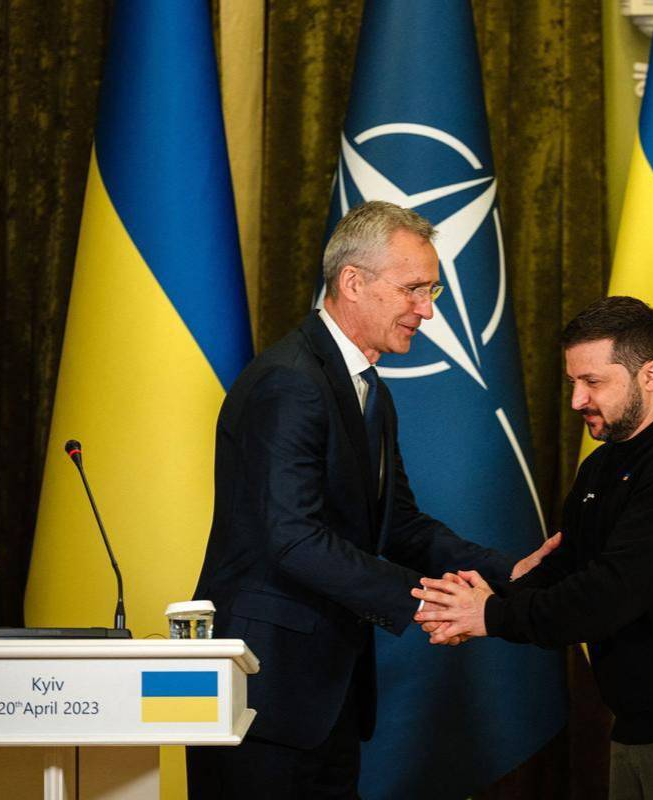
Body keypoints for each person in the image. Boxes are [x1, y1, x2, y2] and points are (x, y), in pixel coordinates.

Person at [187, 200, 558, 799]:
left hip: (326, 692)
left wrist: (506, 572)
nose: (427, 310)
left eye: (432, 290)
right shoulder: (290, 381)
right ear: (353, 282)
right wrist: (428, 603)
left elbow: (399, 524)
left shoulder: (368, 389)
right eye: (413, 289)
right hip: (264, 690)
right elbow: (293, 538)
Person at [414, 296, 653, 800]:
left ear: (650, 374)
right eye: (572, 383)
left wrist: (490, 615)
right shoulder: (603, 464)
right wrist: (482, 597)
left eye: (593, 382)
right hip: (637, 725)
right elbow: (568, 567)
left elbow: (607, 596)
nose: (577, 400)